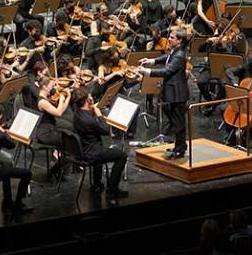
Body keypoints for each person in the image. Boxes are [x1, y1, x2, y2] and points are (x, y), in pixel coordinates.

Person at [138, 27, 190, 159]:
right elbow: (167, 57)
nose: (169, 38)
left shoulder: (179, 55)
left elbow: (167, 71)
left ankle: (180, 149)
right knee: (175, 120)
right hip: (172, 92)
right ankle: (180, 145)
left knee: (178, 123)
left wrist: (147, 72)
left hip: (177, 93)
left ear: (179, 41)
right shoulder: (175, 51)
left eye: (172, 37)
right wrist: (152, 61)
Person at [71, 88, 129, 199]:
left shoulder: (77, 113)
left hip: (84, 148)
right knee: (121, 155)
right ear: (88, 100)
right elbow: (106, 130)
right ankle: (112, 191)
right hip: (91, 153)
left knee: (102, 149)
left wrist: (92, 110)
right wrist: (99, 114)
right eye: (90, 97)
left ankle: (97, 184)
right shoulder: (89, 120)